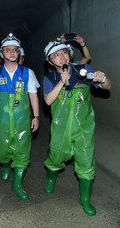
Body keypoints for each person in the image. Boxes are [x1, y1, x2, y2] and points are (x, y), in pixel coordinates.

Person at [42, 40, 111, 216]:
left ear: (70, 54)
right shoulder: (50, 78)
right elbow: (48, 101)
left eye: (64, 52)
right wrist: (61, 83)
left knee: (86, 162)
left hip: (84, 128)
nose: (61, 56)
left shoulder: (83, 71)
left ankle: (85, 199)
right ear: (50, 61)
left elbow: (107, 87)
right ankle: (51, 178)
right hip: (60, 128)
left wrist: (102, 78)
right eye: (56, 55)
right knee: (56, 158)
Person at [0, 33, 40, 200]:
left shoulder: (27, 73)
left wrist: (36, 116)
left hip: (22, 120)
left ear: (19, 53)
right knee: (1, 151)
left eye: (15, 50)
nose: (11, 53)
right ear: (2, 54)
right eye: (7, 50)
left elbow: (33, 95)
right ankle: (5, 163)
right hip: (1, 121)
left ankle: (17, 184)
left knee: (23, 152)